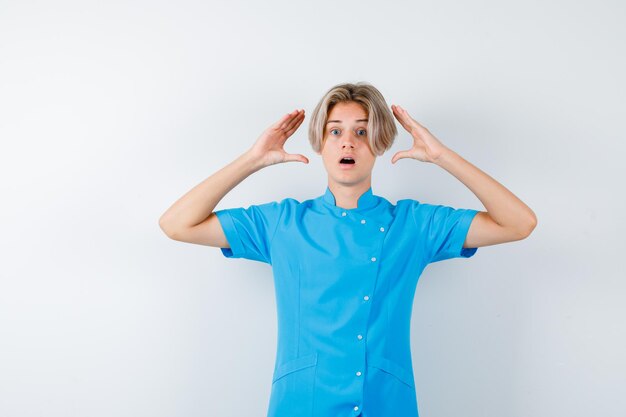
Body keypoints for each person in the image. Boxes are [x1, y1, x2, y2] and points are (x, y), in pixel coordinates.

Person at [158, 82, 537, 417]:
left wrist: (442, 157)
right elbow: (177, 224)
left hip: (386, 403)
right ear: (321, 143)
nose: (348, 142)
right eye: (334, 130)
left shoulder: (414, 225)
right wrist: (252, 160)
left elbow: (519, 223)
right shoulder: (282, 223)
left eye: (362, 131)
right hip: (302, 404)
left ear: (381, 143)